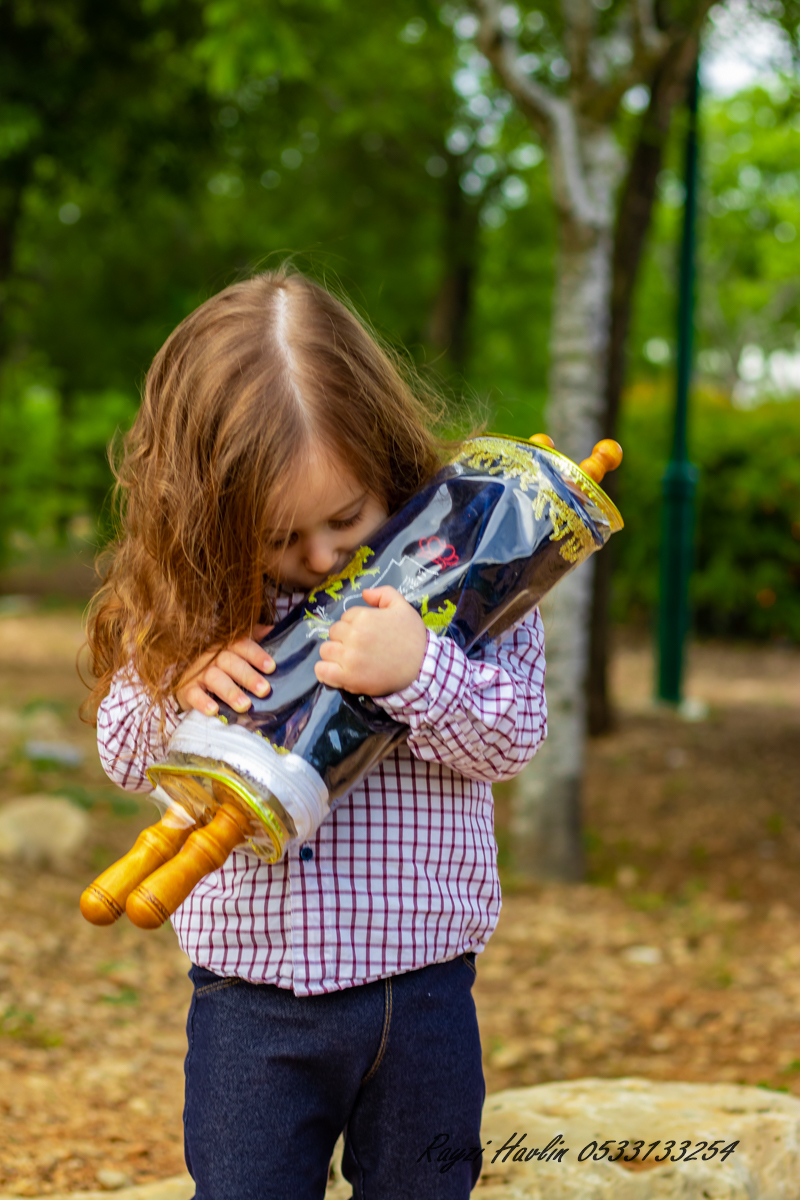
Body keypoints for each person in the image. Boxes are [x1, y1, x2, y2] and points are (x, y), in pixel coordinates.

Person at [85, 268, 547, 1200]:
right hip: (252, 1006)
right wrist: (179, 693)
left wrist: (423, 671)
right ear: (209, 517)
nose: (321, 556)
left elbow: (512, 740)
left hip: (421, 990)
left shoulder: (472, 582)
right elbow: (124, 754)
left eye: (345, 519)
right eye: (279, 537)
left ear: (388, 459)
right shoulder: (195, 605)